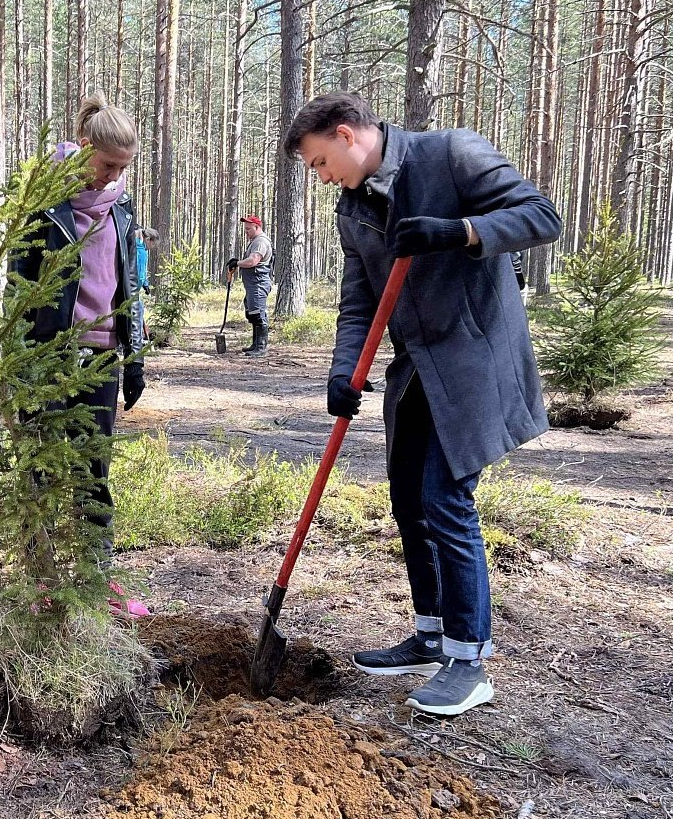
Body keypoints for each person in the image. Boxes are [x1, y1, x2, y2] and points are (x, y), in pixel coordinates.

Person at [283, 91, 561, 716]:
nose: (322, 177)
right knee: (409, 498)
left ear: (348, 134)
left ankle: (469, 658)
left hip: (473, 353)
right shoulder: (353, 213)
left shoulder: (451, 154)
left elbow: (542, 216)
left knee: (444, 496)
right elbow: (358, 302)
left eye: (321, 162)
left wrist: (459, 231)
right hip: (415, 366)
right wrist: (343, 372)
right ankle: (431, 631)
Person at [15, 94, 149, 618]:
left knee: (94, 470)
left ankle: (99, 582)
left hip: (102, 355)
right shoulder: (46, 203)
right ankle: (42, 580)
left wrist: (133, 355)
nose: (114, 176)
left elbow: (127, 283)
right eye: (109, 164)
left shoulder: (121, 209)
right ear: (85, 148)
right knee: (43, 471)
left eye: (123, 168)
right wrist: (23, 355)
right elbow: (21, 281)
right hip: (50, 353)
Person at [230, 214, 273, 356]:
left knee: (258, 314)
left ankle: (261, 348)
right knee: (252, 312)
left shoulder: (260, 241)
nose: (246, 232)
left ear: (257, 227)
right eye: (245, 229)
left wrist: (237, 263)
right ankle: (255, 344)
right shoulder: (255, 241)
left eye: (248, 229)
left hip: (258, 284)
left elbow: (253, 261)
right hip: (252, 284)